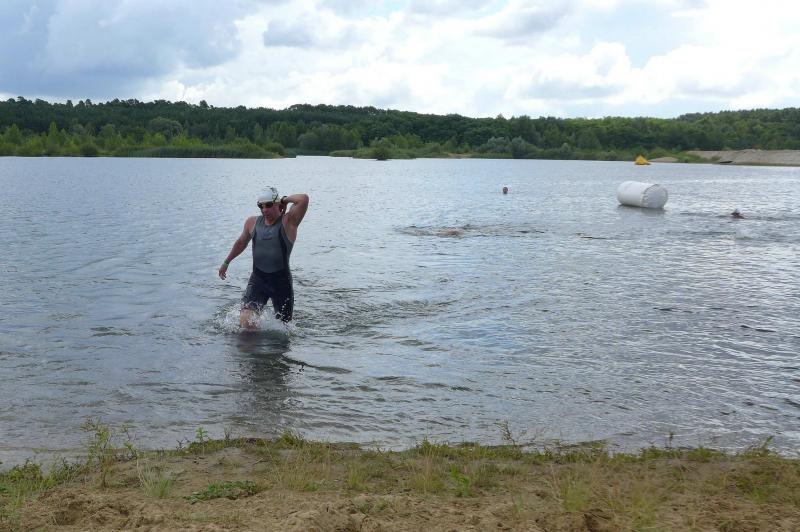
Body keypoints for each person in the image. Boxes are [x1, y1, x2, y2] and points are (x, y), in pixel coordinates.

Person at [219, 187, 309, 328]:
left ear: (277, 204)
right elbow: (241, 242)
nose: (264, 209)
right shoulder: (252, 223)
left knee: (284, 328)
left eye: (268, 205)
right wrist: (226, 262)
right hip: (258, 280)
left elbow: (303, 199)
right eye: (261, 206)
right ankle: (252, 342)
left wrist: (284, 200)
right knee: (246, 322)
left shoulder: (288, 222)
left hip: (282, 283)